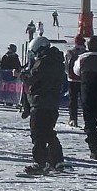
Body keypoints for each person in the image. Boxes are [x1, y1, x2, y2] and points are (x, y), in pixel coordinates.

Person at [19, 36, 66, 174]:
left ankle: (40, 163)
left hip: (40, 101)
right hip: (52, 101)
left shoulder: (44, 61)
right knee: (48, 132)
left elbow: (33, 79)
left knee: (38, 133)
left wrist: (21, 75)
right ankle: (57, 161)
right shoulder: (57, 60)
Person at [65, 34, 86, 127]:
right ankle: (87, 118)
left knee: (72, 100)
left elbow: (66, 67)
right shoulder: (86, 52)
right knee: (84, 100)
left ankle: (73, 119)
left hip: (72, 79)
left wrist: (69, 74)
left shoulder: (70, 52)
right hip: (84, 79)